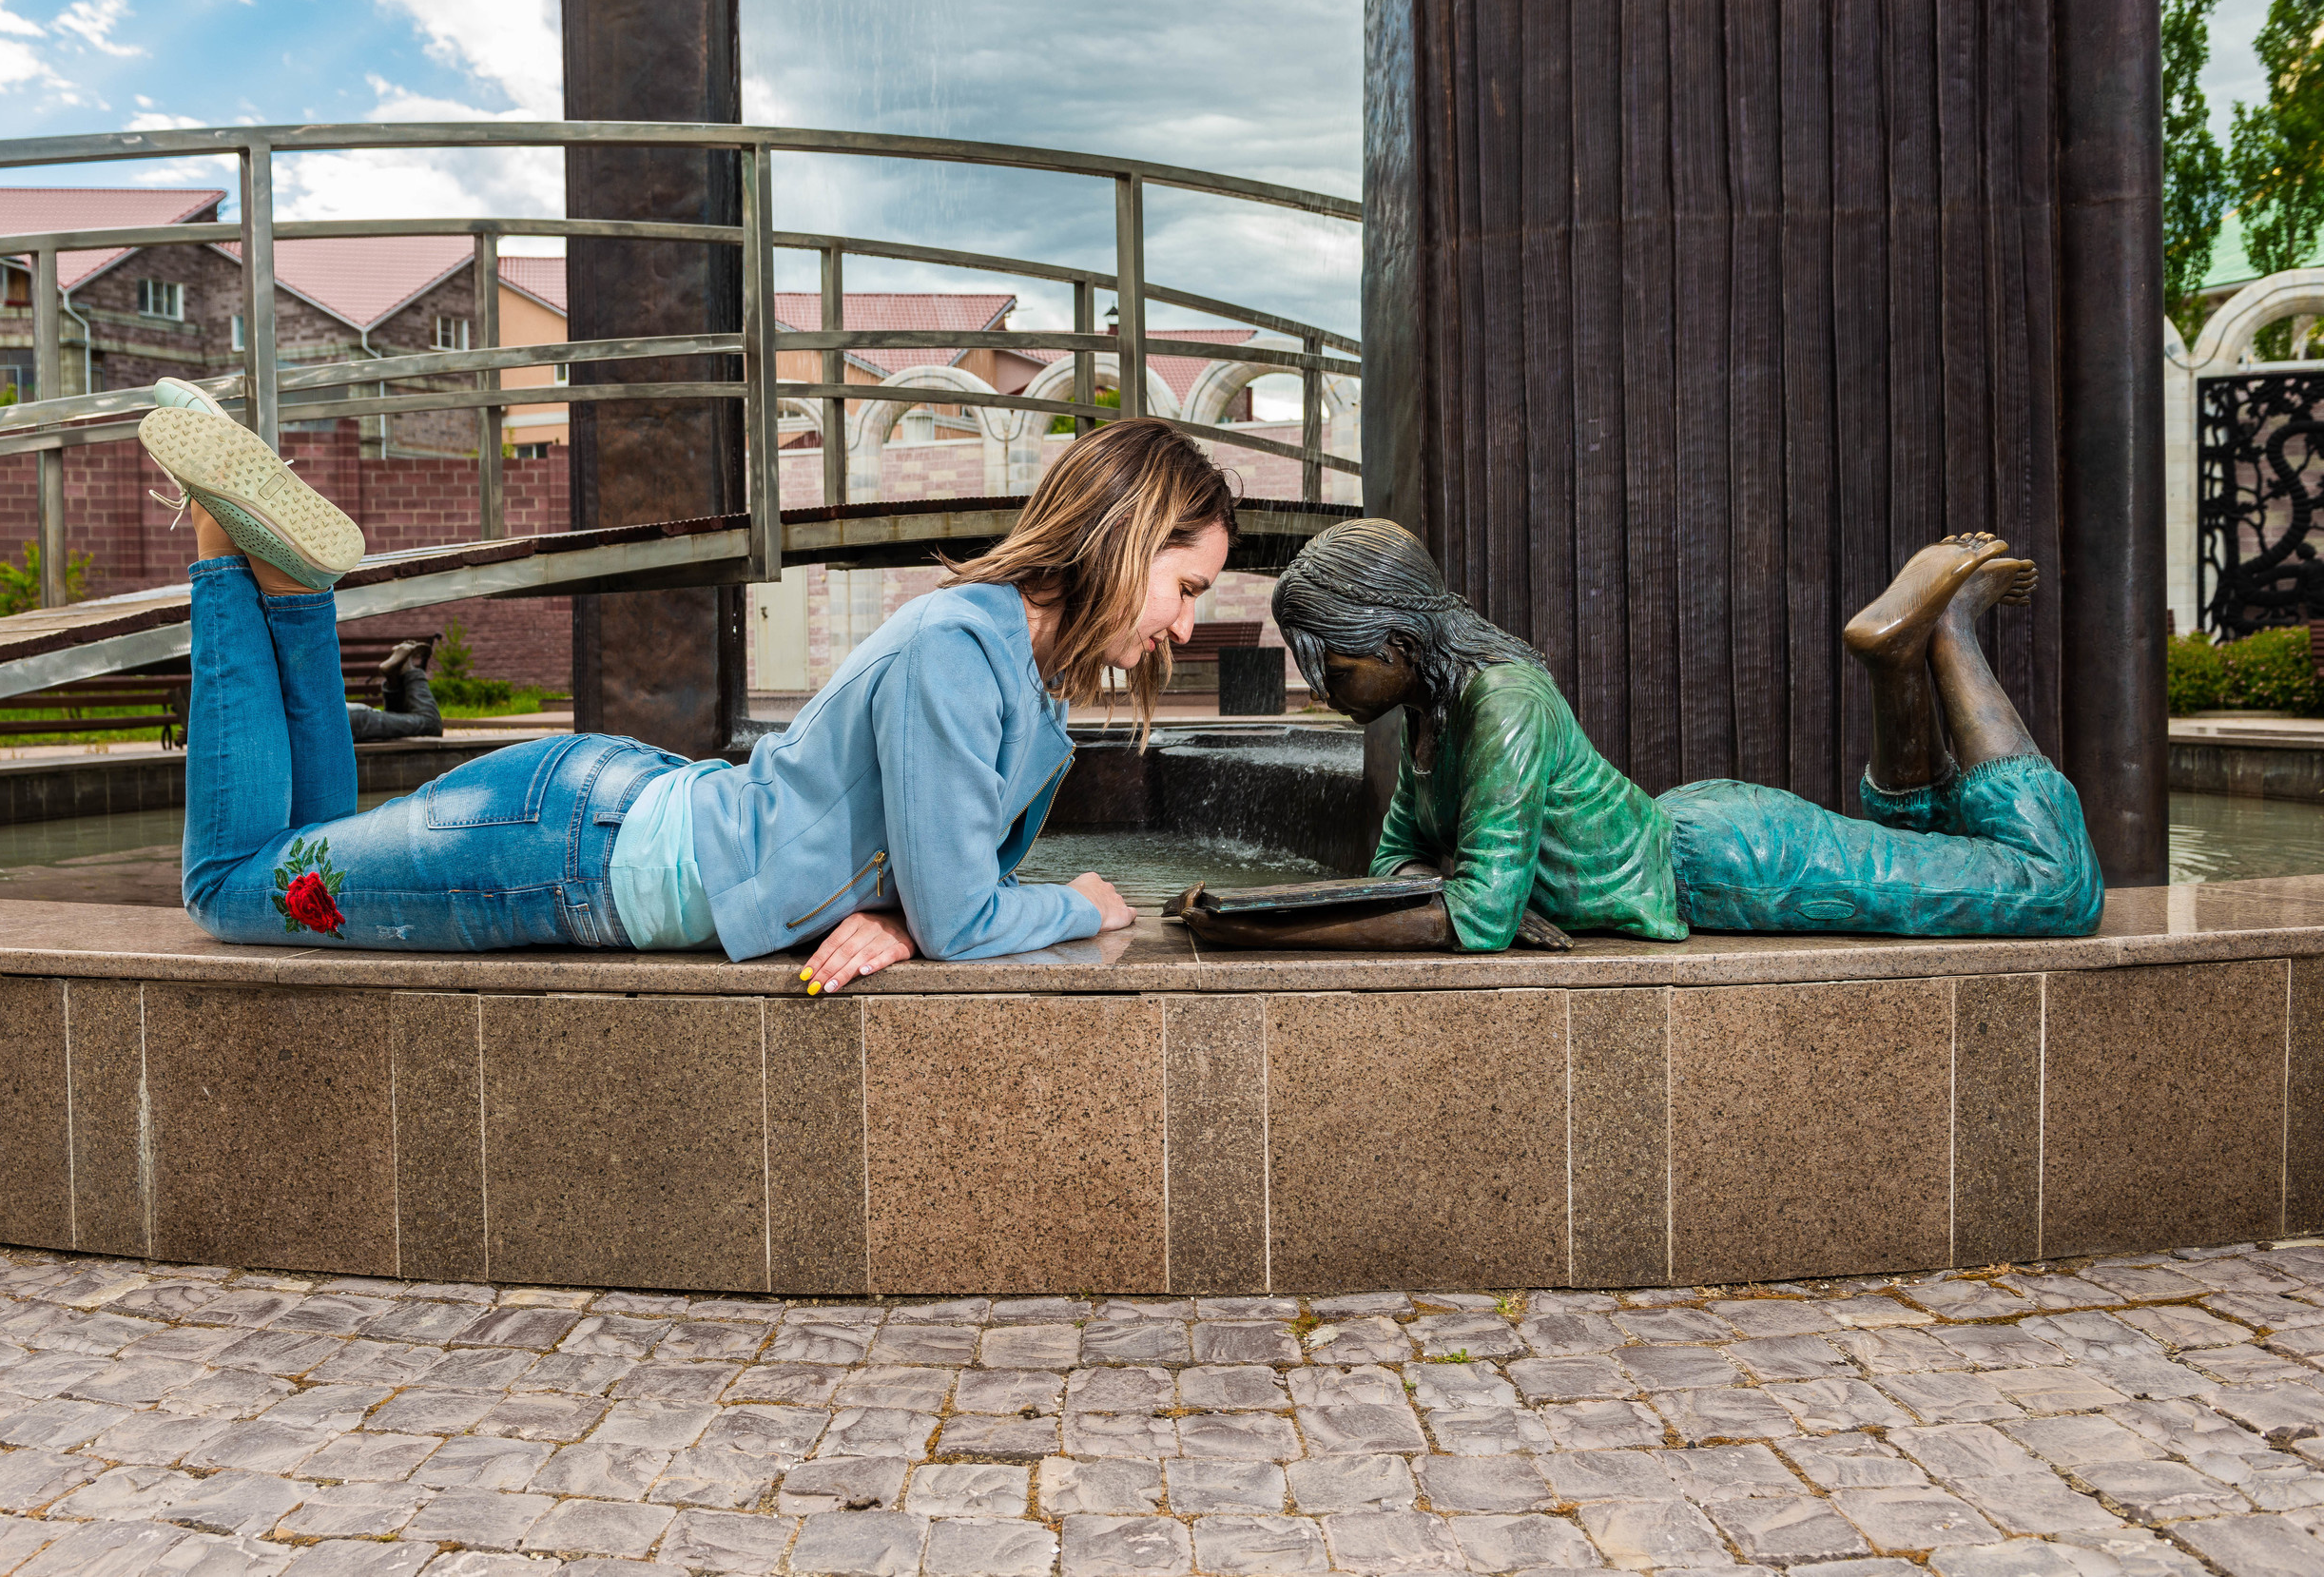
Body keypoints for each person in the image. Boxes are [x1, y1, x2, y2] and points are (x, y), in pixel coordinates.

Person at [141, 382, 1235, 989]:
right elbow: (967, 913)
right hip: (570, 848)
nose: (1185, 623)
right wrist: (1075, 904)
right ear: (1124, 539)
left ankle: (289, 587)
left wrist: (906, 918)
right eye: (1184, 585)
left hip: (605, 823)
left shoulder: (1012, 670)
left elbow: (939, 894)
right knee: (234, 885)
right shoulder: (959, 648)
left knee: (315, 844)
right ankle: (216, 543)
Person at [1175, 517, 2101, 951]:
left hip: (1733, 862)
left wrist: (1252, 923)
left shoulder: (1504, 703)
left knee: (2050, 890)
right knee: (1926, 859)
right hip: (1700, 842)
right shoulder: (1430, 722)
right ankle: (1900, 658)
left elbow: (1474, 918)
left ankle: (1950, 632)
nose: (1319, 685)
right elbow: (1402, 877)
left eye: (1329, 661)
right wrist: (1462, 891)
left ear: (1391, 637)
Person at [348, 640, 442, 742]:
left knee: (430, 723)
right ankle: (397, 676)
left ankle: (403, 672)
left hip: (345, 720)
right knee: (425, 724)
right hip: (349, 717)